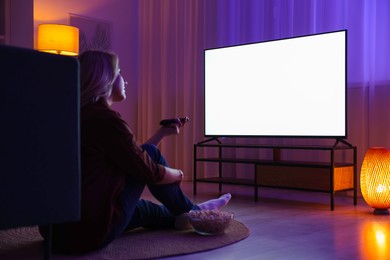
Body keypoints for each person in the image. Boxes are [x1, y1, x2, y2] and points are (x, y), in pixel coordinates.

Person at [42, 50, 231, 254]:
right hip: (89, 233)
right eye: (120, 72)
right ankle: (195, 213)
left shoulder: (72, 116)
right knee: (150, 155)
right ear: (106, 79)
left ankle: (185, 216)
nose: (125, 80)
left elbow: (130, 157)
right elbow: (147, 170)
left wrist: (161, 134)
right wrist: (177, 174)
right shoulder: (107, 120)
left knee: (147, 210)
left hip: (57, 232)